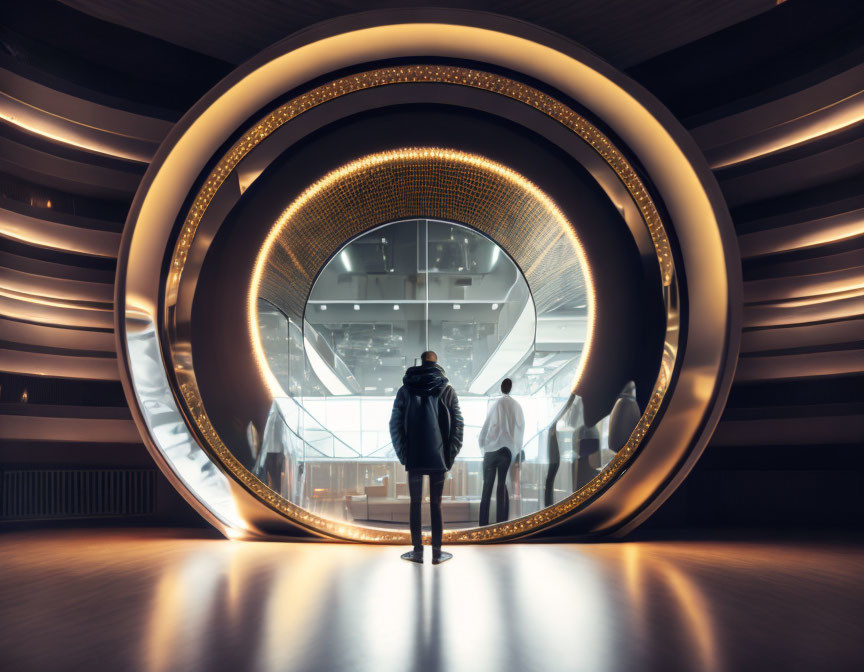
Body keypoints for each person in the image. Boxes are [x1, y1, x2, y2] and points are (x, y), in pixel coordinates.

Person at [390, 351, 463, 564]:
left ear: (420, 362)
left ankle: (417, 550)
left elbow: (394, 425)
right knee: (436, 504)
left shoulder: (405, 390)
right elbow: (458, 425)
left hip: (413, 456)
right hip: (439, 457)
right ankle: (438, 552)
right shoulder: (447, 390)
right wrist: (449, 456)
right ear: (437, 363)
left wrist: (404, 454)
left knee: (414, 503)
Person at [478, 378, 525, 526]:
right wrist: (516, 449)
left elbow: (486, 426)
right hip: (506, 451)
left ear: (501, 388)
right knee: (501, 486)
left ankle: (483, 523)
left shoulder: (496, 403)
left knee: (487, 488)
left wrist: (482, 445)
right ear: (511, 388)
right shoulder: (516, 405)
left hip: (491, 450)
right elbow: (520, 428)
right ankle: (500, 523)